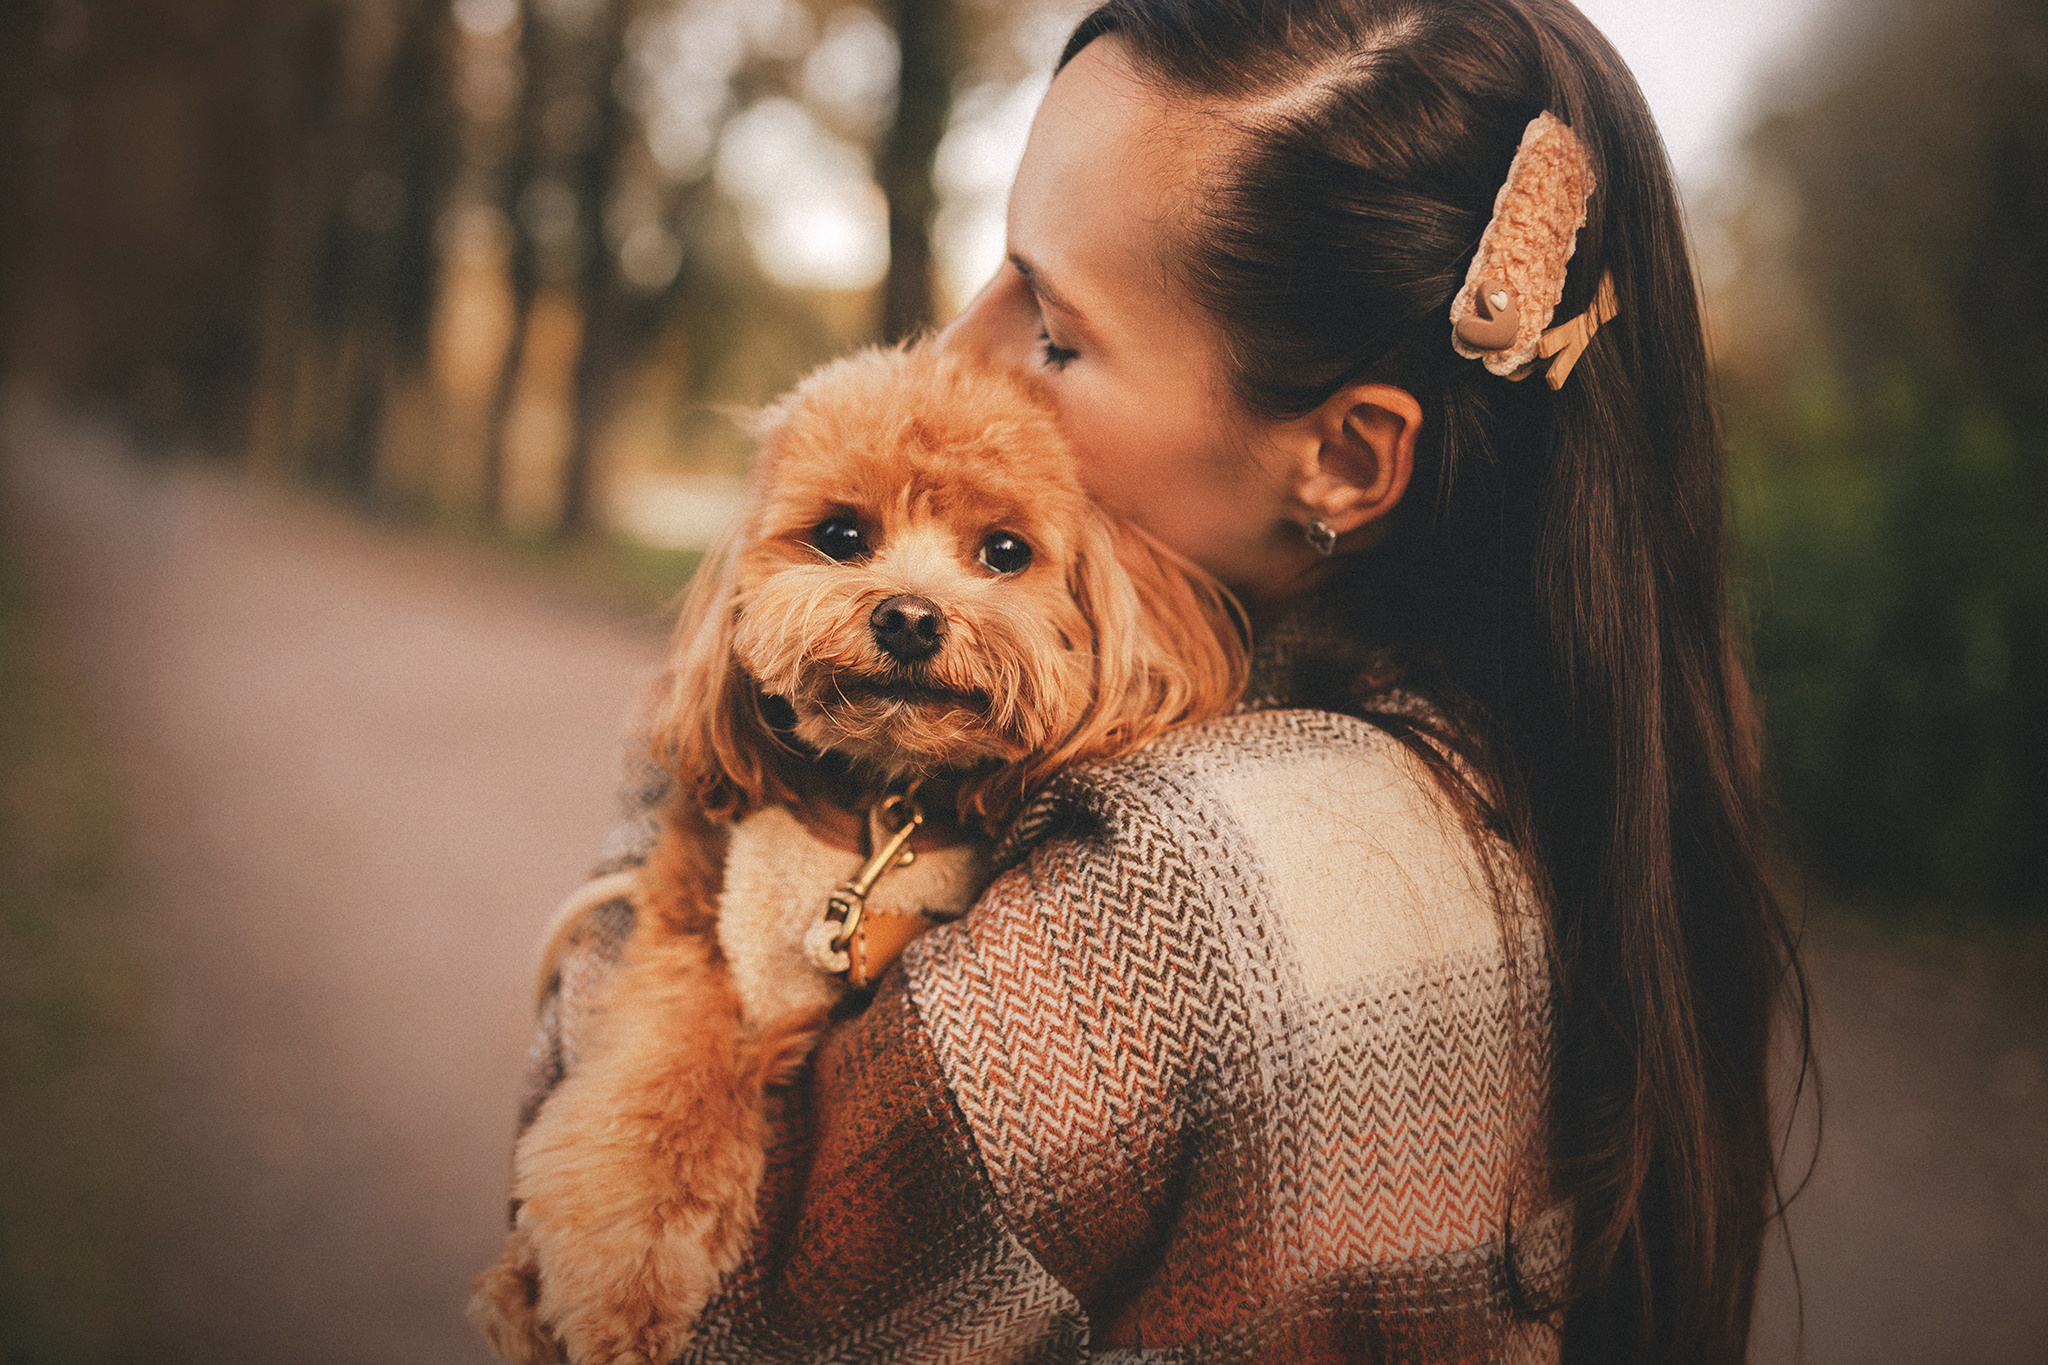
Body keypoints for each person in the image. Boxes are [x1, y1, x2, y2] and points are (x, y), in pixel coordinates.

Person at [518, 0, 1808, 1359]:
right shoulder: (1558, 793)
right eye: (994, 269)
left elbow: (661, 1322)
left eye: (1056, 332)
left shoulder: (1155, 888)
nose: (957, 353)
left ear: (1349, 459)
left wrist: (705, 733)